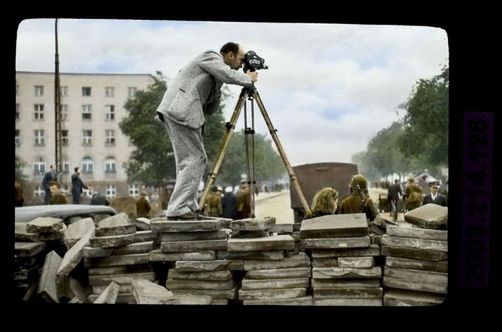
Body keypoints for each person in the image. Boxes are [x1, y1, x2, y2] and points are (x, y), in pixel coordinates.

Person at [156, 42, 258, 221]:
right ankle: (179, 207)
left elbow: (210, 109)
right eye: (241, 60)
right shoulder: (211, 55)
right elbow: (228, 74)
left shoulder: (215, 74)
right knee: (196, 159)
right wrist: (247, 79)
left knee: (189, 161)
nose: (242, 65)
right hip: (181, 110)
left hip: (179, 111)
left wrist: (218, 89)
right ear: (229, 55)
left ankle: (186, 205)